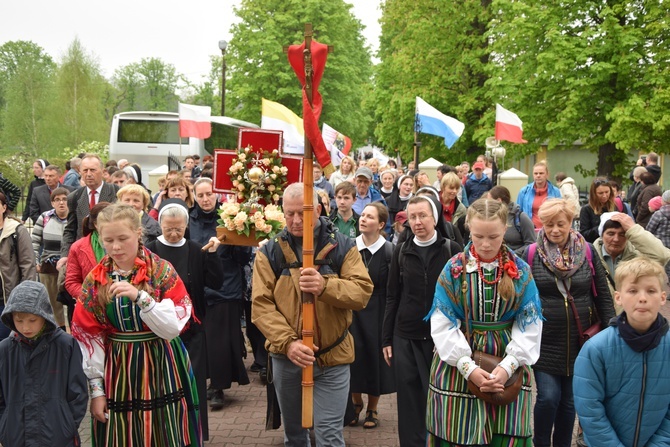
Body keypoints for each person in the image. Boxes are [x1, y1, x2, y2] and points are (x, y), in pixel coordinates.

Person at [252, 182, 373, 447]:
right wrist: (289, 343)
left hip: (333, 356)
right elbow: (261, 305)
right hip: (287, 359)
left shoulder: (343, 246)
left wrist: (325, 286)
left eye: (302, 213)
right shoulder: (270, 252)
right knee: (295, 436)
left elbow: (362, 292)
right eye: (289, 213)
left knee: (329, 436)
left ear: (318, 210)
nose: (295, 221)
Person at [70, 203, 202, 446]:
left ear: (138, 234)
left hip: (162, 363)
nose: (116, 247)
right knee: (123, 435)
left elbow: (172, 328)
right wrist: (97, 391)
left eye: (123, 238)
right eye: (108, 240)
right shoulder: (95, 280)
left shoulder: (161, 271)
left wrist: (141, 298)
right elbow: (88, 337)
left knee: (164, 433)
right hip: (119, 368)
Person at [425, 198, 543, 446]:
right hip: (458, 366)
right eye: (478, 236)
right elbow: (442, 324)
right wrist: (469, 368)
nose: (486, 244)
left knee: (507, 434)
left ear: (505, 230)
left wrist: (507, 367)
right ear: (468, 228)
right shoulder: (453, 269)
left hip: (508, 363)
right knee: (457, 431)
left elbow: (529, 325)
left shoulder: (520, 271)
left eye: (494, 236)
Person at [523, 198, 615, 447]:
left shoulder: (586, 250)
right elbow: (520, 297)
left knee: (570, 402)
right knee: (548, 398)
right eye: (549, 224)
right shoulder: (531, 253)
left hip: (581, 340)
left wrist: (611, 331)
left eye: (560, 224)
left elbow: (602, 294)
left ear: (570, 222)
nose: (554, 230)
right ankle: (541, 442)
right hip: (545, 340)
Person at [382, 195, 461, 446]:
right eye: (412, 217)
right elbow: (392, 296)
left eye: (422, 216)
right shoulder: (401, 251)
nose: (417, 222)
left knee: (441, 400)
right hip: (405, 336)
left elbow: (461, 298)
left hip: (442, 339)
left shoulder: (452, 250)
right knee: (409, 402)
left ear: (434, 217)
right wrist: (386, 338)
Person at [146, 199, 223, 442]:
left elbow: (216, 283)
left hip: (193, 328)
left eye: (178, 228)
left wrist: (212, 256)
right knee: (162, 382)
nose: (173, 232)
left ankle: (195, 432)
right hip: (158, 329)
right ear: (160, 225)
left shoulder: (196, 249)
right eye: (168, 228)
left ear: (186, 225)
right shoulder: (150, 251)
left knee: (195, 381)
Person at [574, 258, 670, 447]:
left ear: (662, 297)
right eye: (633, 291)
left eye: (651, 291)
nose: (642, 298)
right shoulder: (596, 349)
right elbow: (589, 409)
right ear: (618, 297)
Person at [0, 281, 88, 447]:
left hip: (58, 437)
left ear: (45, 315)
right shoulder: (5, 350)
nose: (26, 327)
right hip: (16, 437)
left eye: (32, 320)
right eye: (19, 320)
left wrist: (67, 425)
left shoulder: (65, 345)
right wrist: (5, 426)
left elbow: (78, 393)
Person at [189, 177, 251, 411]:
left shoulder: (229, 218)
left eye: (209, 194)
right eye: (201, 195)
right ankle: (202, 382)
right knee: (201, 338)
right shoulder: (189, 220)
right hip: (198, 287)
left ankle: (219, 387)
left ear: (217, 195)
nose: (205, 199)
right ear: (194, 196)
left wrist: (240, 241)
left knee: (221, 341)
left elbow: (243, 257)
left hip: (226, 286)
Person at [349, 203, 396, 429]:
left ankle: (372, 408)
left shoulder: (389, 251)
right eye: (363, 215)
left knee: (374, 359)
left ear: (380, 224)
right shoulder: (349, 248)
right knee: (353, 357)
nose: (363, 219)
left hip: (378, 310)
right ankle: (355, 403)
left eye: (370, 217)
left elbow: (392, 289)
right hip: (353, 310)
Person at [593, 212, 670, 312]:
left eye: (622, 234)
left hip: (631, 318)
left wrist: (633, 229)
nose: (616, 239)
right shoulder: (590, 257)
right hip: (600, 319)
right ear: (601, 235)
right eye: (611, 234)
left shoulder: (637, 256)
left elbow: (662, 256)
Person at [59, 154, 119, 266]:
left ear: (103, 171)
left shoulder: (116, 193)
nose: (89, 174)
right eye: (85, 170)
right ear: (80, 172)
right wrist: (65, 255)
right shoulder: (75, 197)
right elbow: (71, 229)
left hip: (111, 255)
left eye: (93, 170)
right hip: (83, 256)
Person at [64, 202, 111, 327]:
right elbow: (71, 281)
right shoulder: (78, 247)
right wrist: (92, 298)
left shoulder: (124, 244)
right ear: (95, 224)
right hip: (90, 310)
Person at [0, 191, 37, 340]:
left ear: (4, 207)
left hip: (8, 300)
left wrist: (25, 299)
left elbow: (28, 265)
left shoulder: (16, 231)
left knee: (6, 345)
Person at [31, 187, 69, 330]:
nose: (61, 203)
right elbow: (34, 241)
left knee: (70, 302)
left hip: (69, 266)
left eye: (64, 199)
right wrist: (35, 261)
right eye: (57, 200)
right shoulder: (45, 217)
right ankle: (58, 330)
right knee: (52, 303)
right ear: (52, 203)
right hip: (49, 266)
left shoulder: (74, 217)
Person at [487, 185, 536, 252]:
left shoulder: (521, 217)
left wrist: (513, 255)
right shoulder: (493, 217)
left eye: (490, 201)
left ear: (499, 201)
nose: (488, 204)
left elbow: (531, 244)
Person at [516, 161, 562, 229]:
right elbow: (517, 213)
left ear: (547, 174)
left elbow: (560, 212)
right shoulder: (524, 191)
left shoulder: (555, 191)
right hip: (529, 231)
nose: (538, 175)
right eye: (535, 173)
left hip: (549, 230)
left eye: (541, 173)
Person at [579, 177, 616, 243]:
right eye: (600, 193)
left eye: (607, 192)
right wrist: (601, 226)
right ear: (594, 194)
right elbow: (584, 235)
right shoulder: (586, 209)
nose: (604, 195)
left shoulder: (615, 206)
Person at [22, 158, 49, 223]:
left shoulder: (50, 182)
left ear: (43, 168)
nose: (34, 170)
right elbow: (29, 201)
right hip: (37, 217)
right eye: (33, 168)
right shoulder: (33, 183)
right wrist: (24, 218)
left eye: (37, 168)